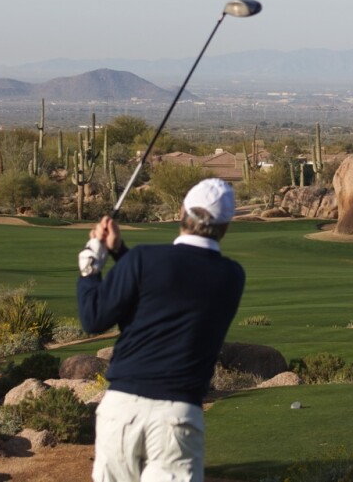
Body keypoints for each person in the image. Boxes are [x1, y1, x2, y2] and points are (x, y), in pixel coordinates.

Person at [77, 178, 246, 482]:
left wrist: (91, 267)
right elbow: (173, 280)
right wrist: (119, 252)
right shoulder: (231, 277)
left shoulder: (143, 259)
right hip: (177, 416)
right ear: (225, 226)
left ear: (182, 212)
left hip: (121, 410)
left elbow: (93, 318)